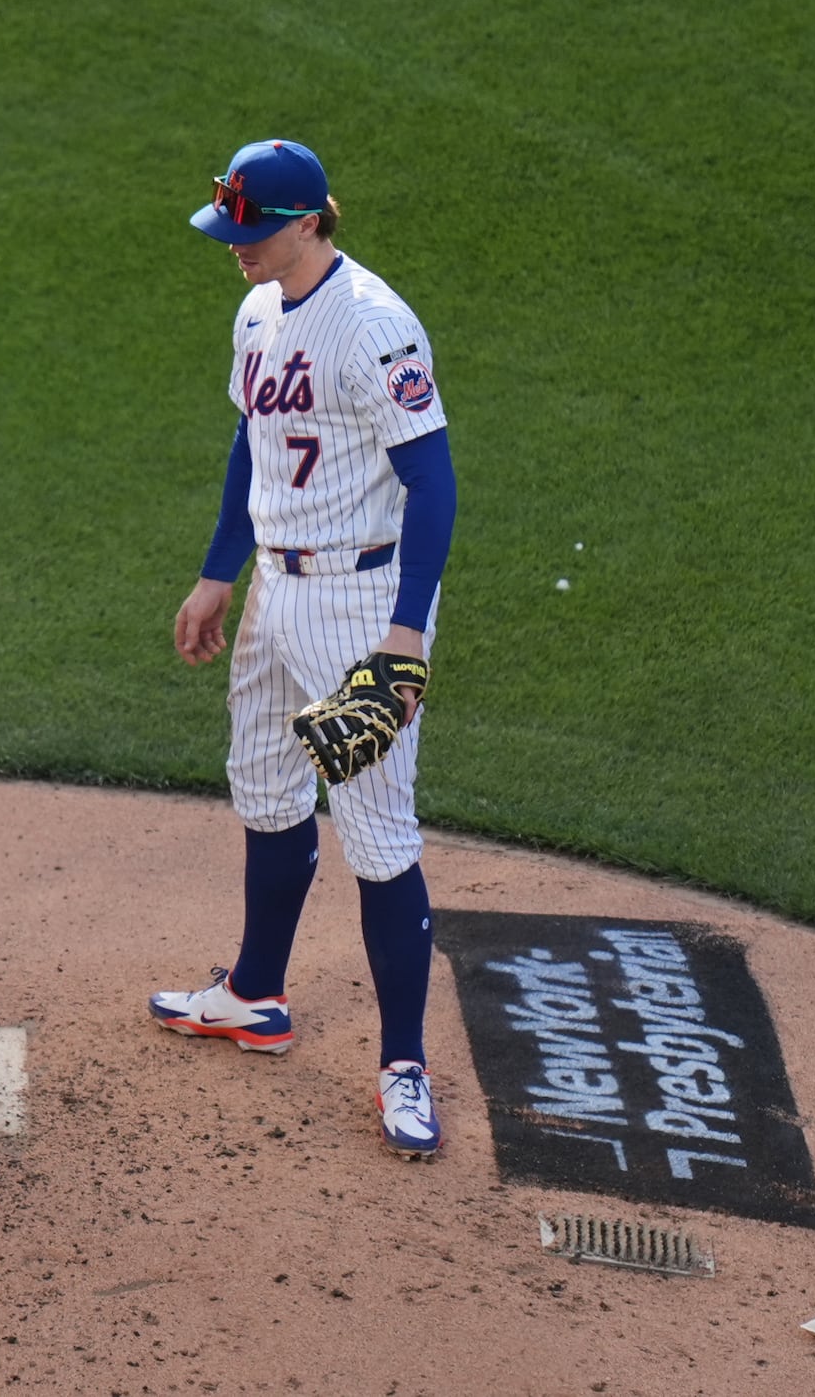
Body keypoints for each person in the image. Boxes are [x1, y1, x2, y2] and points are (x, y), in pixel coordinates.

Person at [155, 140, 459, 1157]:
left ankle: (404, 1065)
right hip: (276, 591)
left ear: (308, 220)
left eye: (252, 231)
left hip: (359, 603)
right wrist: (217, 572)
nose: (235, 249)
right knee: (266, 790)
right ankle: (254, 993)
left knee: (378, 836)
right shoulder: (254, 307)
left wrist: (403, 636)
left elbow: (434, 484)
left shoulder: (373, 327)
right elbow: (254, 445)